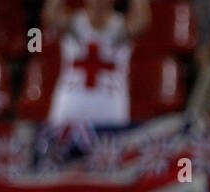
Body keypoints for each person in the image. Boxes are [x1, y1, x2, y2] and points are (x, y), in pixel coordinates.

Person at [43, 0, 150, 128]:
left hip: (110, 104)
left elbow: (142, 21)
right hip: (70, 102)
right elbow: (50, 16)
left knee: (109, 146)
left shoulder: (123, 27)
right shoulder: (72, 23)